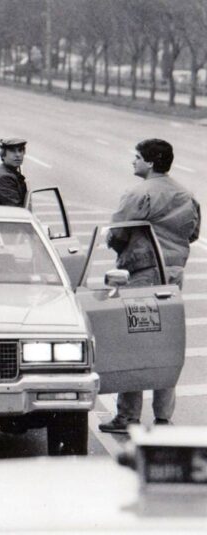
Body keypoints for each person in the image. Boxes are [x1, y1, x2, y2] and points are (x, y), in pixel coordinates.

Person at [99, 138, 201, 434]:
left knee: (135, 343)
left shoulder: (138, 193)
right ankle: (164, 417)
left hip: (141, 275)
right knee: (166, 343)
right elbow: (193, 233)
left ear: (151, 162)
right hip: (173, 276)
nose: (133, 161)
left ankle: (127, 416)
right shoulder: (185, 194)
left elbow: (117, 234)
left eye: (137, 157)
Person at [0, 138, 28, 207]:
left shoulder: (9, 172)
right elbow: (18, 211)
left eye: (20, 150)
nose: (18, 155)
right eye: (13, 151)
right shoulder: (4, 178)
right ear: (3, 155)